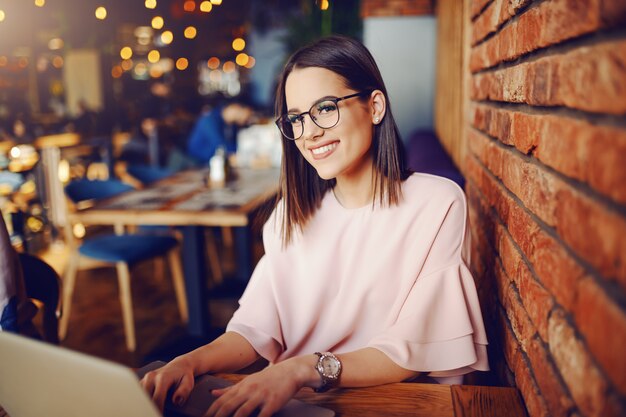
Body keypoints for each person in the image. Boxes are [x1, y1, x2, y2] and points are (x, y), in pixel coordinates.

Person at [141, 35, 489, 417]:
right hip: (294, 403)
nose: (309, 133)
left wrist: (300, 369)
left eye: (325, 108)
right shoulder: (289, 216)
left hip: (384, 402)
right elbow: (254, 330)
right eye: (296, 118)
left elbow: (414, 349)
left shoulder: (436, 203)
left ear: (374, 106)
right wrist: (189, 362)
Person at [186, 101, 256, 165]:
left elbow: (234, 145)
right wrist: (244, 157)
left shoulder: (232, 125)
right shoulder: (209, 120)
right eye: (246, 114)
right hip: (196, 163)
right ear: (235, 107)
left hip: (216, 161)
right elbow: (219, 144)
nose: (246, 119)